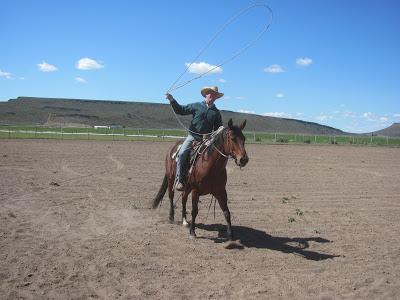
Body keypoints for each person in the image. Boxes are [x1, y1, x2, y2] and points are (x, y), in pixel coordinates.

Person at [166, 86, 224, 191]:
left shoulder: (216, 112)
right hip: (192, 137)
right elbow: (181, 110)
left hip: (206, 140)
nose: (212, 95)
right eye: (210, 93)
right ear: (206, 94)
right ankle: (180, 180)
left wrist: (214, 136)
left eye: (214, 94)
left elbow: (217, 128)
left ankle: (209, 181)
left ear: (216, 97)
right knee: (182, 153)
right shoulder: (196, 106)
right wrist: (172, 100)